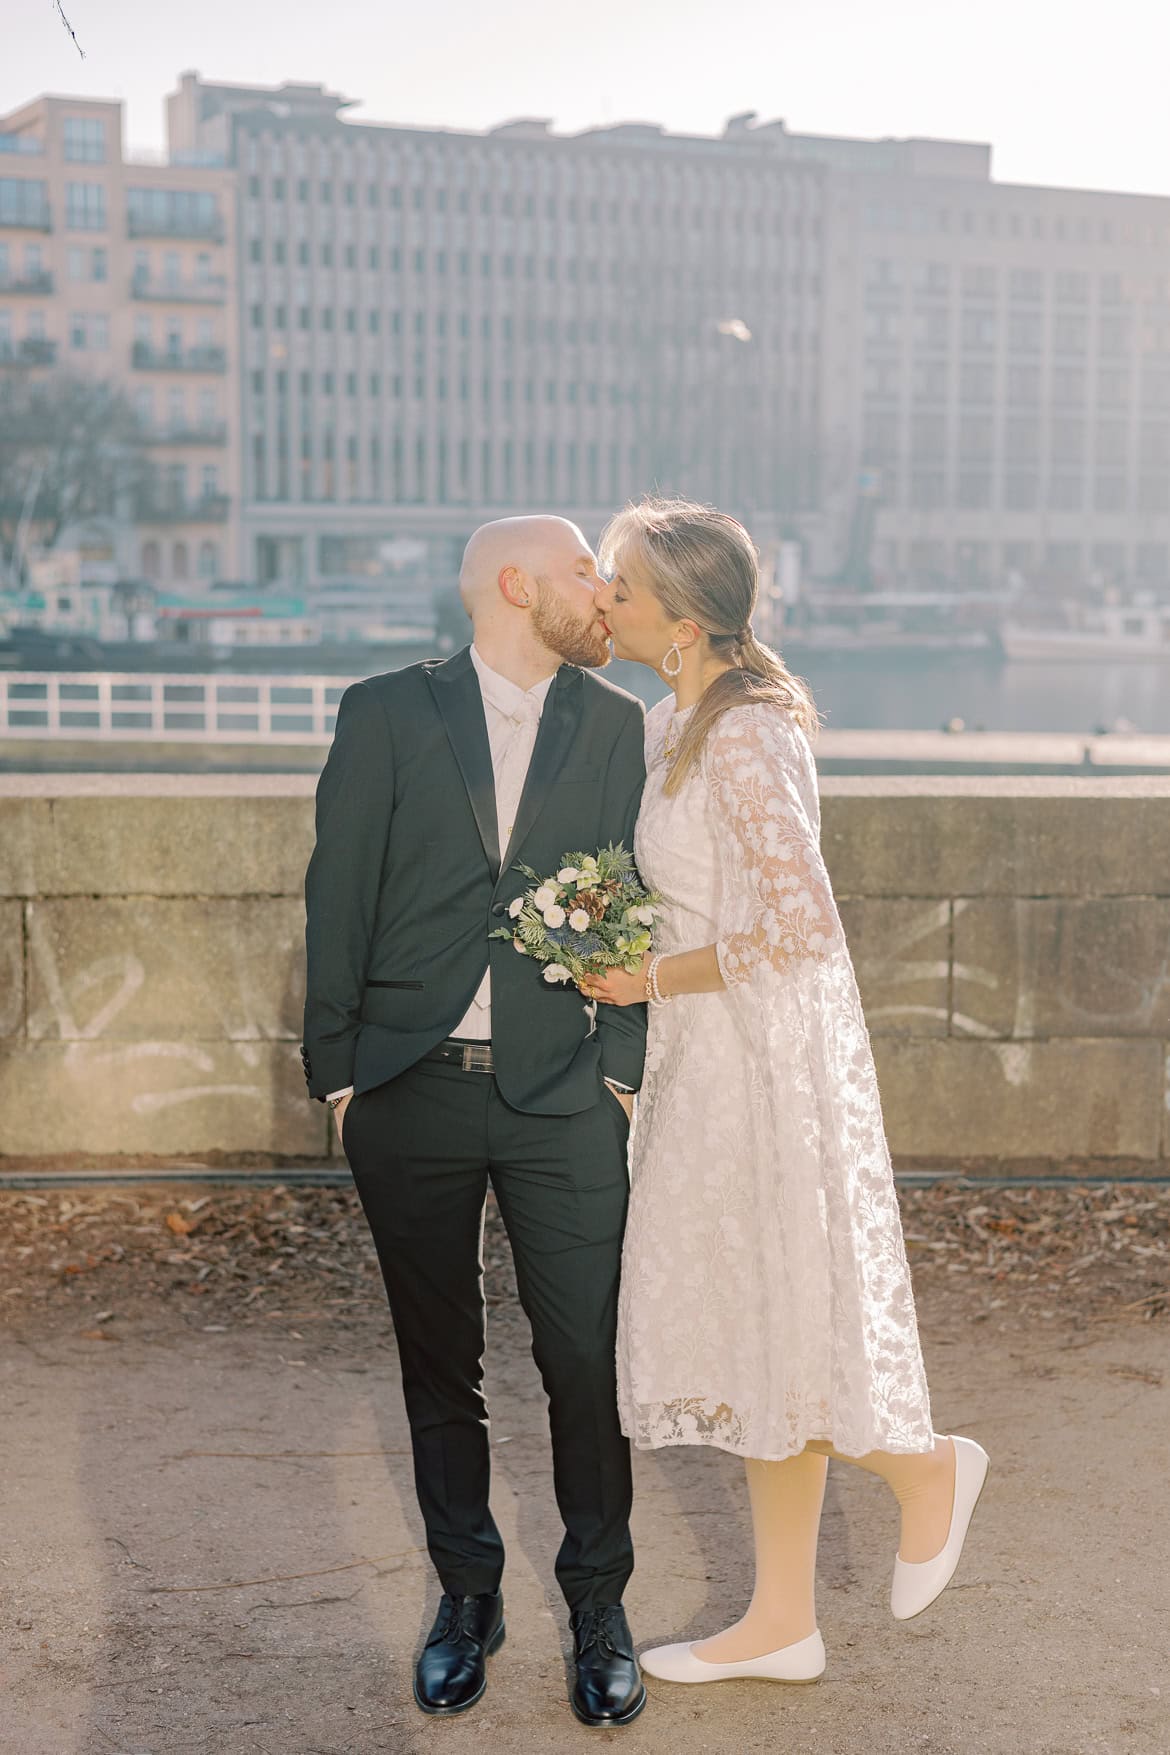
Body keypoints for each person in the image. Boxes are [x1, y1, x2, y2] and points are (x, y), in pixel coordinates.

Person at [585, 497, 989, 1685]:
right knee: (755, 1334)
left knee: (777, 1323)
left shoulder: (749, 734)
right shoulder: (673, 722)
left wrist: (647, 978)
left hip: (754, 1072)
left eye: (619, 583)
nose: (604, 598)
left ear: (682, 619)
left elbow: (803, 927)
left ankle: (924, 1466)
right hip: (700, 1063)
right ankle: (781, 1623)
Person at [301, 516, 649, 1727]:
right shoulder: (386, 711)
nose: (603, 589)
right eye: (582, 570)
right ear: (515, 584)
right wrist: (340, 1078)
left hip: (566, 1097)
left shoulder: (618, 725)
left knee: (586, 1361)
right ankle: (468, 1598)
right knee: (438, 1363)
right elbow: (338, 889)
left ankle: (599, 1608)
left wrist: (622, 1073)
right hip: (409, 1088)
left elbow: (641, 892)